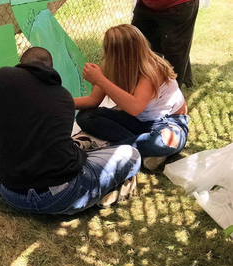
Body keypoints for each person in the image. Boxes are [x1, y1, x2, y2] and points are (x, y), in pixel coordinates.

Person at [0, 47, 141, 214]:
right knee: (131, 154)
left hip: (11, 194)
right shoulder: (65, 97)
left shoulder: (2, 77)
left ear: (21, 64)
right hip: (60, 196)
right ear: (51, 69)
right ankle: (104, 191)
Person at [74, 24, 189, 170]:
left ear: (120, 53)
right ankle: (142, 150)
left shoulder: (152, 69)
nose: (105, 54)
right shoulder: (110, 65)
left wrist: (100, 80)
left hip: (168, 122)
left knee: (161, 142)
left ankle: (110, 147)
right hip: (137, 122)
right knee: (85, 117)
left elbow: (135, 108)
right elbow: (93, 101)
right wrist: (61, 101)